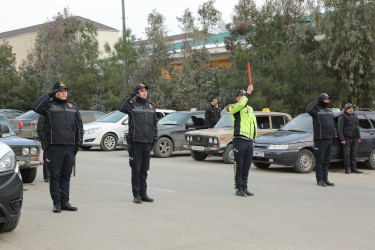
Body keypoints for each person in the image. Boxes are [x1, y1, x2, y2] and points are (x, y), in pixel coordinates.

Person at [32, 81, 83, 213]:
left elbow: (79, 127)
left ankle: (65, 202)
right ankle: (57, 203)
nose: (64, 92)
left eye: (65, 90)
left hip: (70, 147)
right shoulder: (48, 106)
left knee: (66, 176)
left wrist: (77, 144)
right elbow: (35, 106)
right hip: (54, 148)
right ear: (55, 92)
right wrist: (46, 145)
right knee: (55, 177)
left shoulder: (72, 107)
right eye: (61, 90)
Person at [117, 83, 158, 204]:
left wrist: (154, 138)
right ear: (137, 93)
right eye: (141, 91)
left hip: (148, 142)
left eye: (145, 90)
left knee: (144, 170)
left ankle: (143, 194)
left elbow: (154, 124)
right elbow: (120, 107)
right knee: (136, 170)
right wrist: (131, 95)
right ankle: (136, 195)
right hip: (136, 143)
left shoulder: (151, 106)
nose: (144, 92)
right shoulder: (132, 106)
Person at [229, 85, 257, 197]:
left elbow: (254, 124)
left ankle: (245, 187)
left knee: (247, 165)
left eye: (243, 95)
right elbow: (241, 104)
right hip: (239, 139)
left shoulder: (250, 109)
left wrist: (254, 139)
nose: (242, 97)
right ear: (237, 98)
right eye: (241, 96)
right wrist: (248, 93)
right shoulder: (234, 107)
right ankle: (238, 188)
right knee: (239, 165)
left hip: (249, 141)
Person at [306, 93, 335, 187]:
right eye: (325, 99)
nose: (327, 101)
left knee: (327, 161)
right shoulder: (316, 109)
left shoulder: (329, 110)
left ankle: (325, 179)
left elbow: (332, 124)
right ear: (321, 100)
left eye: (328, 99)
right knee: (320, 161)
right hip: (320, 139)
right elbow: (308, 109)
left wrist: (333, 137)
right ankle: (319, 180)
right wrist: (317, 101)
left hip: (329, 138)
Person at [338, 103, 363, 174]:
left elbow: (357, 127)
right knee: (346, 154)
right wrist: (342, 139)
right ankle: (347, 168)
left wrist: (359, 137)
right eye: (350, 108)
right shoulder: (342, 116)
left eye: (352, 108)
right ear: (346, 109)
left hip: (355, 138)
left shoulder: (355, 115)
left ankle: (354, 168)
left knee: (354, 154)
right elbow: (340, 129)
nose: (351, 110)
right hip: (347, 138)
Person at [36, 115, 50, 182]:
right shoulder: (43, 115)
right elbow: (40, 129)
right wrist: (45, 141)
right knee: (47, 159)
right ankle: (47, 176)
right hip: (47, 142)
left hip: (57, 141)